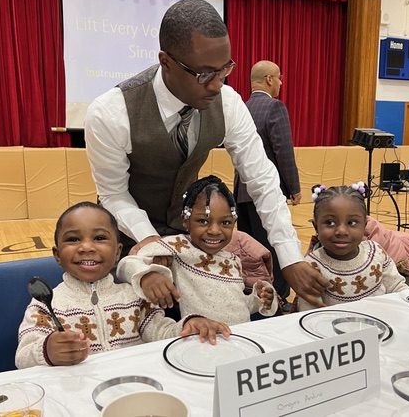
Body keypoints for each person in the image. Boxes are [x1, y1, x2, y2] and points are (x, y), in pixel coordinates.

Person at [84, 0, 327, 308]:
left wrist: (290, 257)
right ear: (166, 62)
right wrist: (149, 239)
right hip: (128, 243)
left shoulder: (228, 103)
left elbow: (263, 180)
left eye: (224, 69)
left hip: (188, 239)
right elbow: (114, 194)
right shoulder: (110, 112)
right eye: (204, 74)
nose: (216, 85)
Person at [15, 202, 230, 369]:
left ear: (118, 252)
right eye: (73, 240)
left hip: (134, 387)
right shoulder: (45, 306)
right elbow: (22, 357)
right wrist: (47, 351)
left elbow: (161, 332)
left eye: (99, 238)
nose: (86, 247)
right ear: (57, 255)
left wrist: (189, 326)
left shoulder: (134, 297)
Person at [117, 176, 278, 326]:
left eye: (225, 223)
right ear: (186, 221)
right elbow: (126, 264)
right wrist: (147, 276)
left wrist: (258, 299)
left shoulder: (234, 260)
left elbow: (236, 307)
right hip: (201, 339)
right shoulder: (178, 246)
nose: (214, 230)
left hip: (239, 338)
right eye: (203, 221)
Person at [233, 60, 301, 311]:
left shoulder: (241, 108)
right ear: (270, 79)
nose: (281, 83)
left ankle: (255, 297)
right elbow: (284, 151)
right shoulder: (275, 107)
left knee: (250, 253)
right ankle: (278, 300)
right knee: (274, 250)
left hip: (241, 192)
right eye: (279, 78)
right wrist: (294, 187)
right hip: (266, 194)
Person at [294, 184, 409, 311]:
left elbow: (397, 287)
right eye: (330, 223)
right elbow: (310, 312)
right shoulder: (311, 267)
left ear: (364, 225)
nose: (341, 231)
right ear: (316, 227)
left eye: (352, 223)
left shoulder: (376, 251)